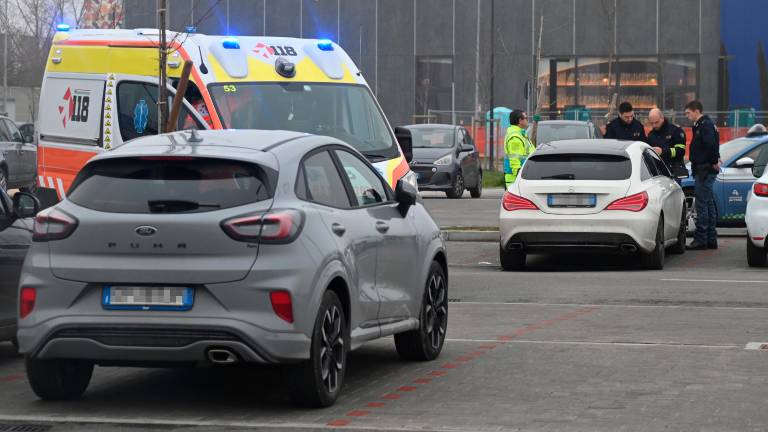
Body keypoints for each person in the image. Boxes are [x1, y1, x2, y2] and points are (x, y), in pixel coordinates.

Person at [685, 100, 720, 250]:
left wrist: (713, 161)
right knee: (709, 204)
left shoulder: (704, 125)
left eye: (688, 112)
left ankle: (701, 239)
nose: (687, 115)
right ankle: (711, 238)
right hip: (704, 168)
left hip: (704, 169)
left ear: (696, 111)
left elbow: (711, 144)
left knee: (702, 205)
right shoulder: (702, 125)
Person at [647, 108, 687, 182]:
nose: (654, 125)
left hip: (676, 170)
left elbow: (681, 151)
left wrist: (663, 151)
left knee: (676, 193)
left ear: (662, 118)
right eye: (652, 123)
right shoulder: (651, 135)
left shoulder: (676, 130)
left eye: (656, 122)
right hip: (660, 172)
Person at [503, 110, 535, 188]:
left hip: (521, 177)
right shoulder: (515, 137)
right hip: (517, 179)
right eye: (526, 118)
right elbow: (515, 159)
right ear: (520, 120)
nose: (527, 120)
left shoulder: (520, 133)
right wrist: (519, 176)